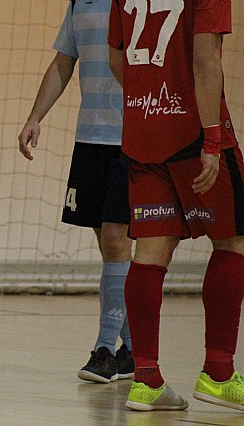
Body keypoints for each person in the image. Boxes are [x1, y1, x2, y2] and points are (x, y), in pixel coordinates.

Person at [108, 0, 244, 411]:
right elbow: (206, 59)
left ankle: (146, 379)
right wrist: (212, 139)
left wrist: (148, 104)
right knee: (233, 240)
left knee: (149, 253)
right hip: (192, 130)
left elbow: (116, 57)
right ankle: (218, 373)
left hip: (142, 130)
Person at [18, 0, 133, 384]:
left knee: (117, 239)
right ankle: (133, 349)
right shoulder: (78, 3)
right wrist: (35, 117)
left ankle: (104, 350)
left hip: (133, 139)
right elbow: (64, 61)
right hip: (90, 138)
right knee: (107, 243)